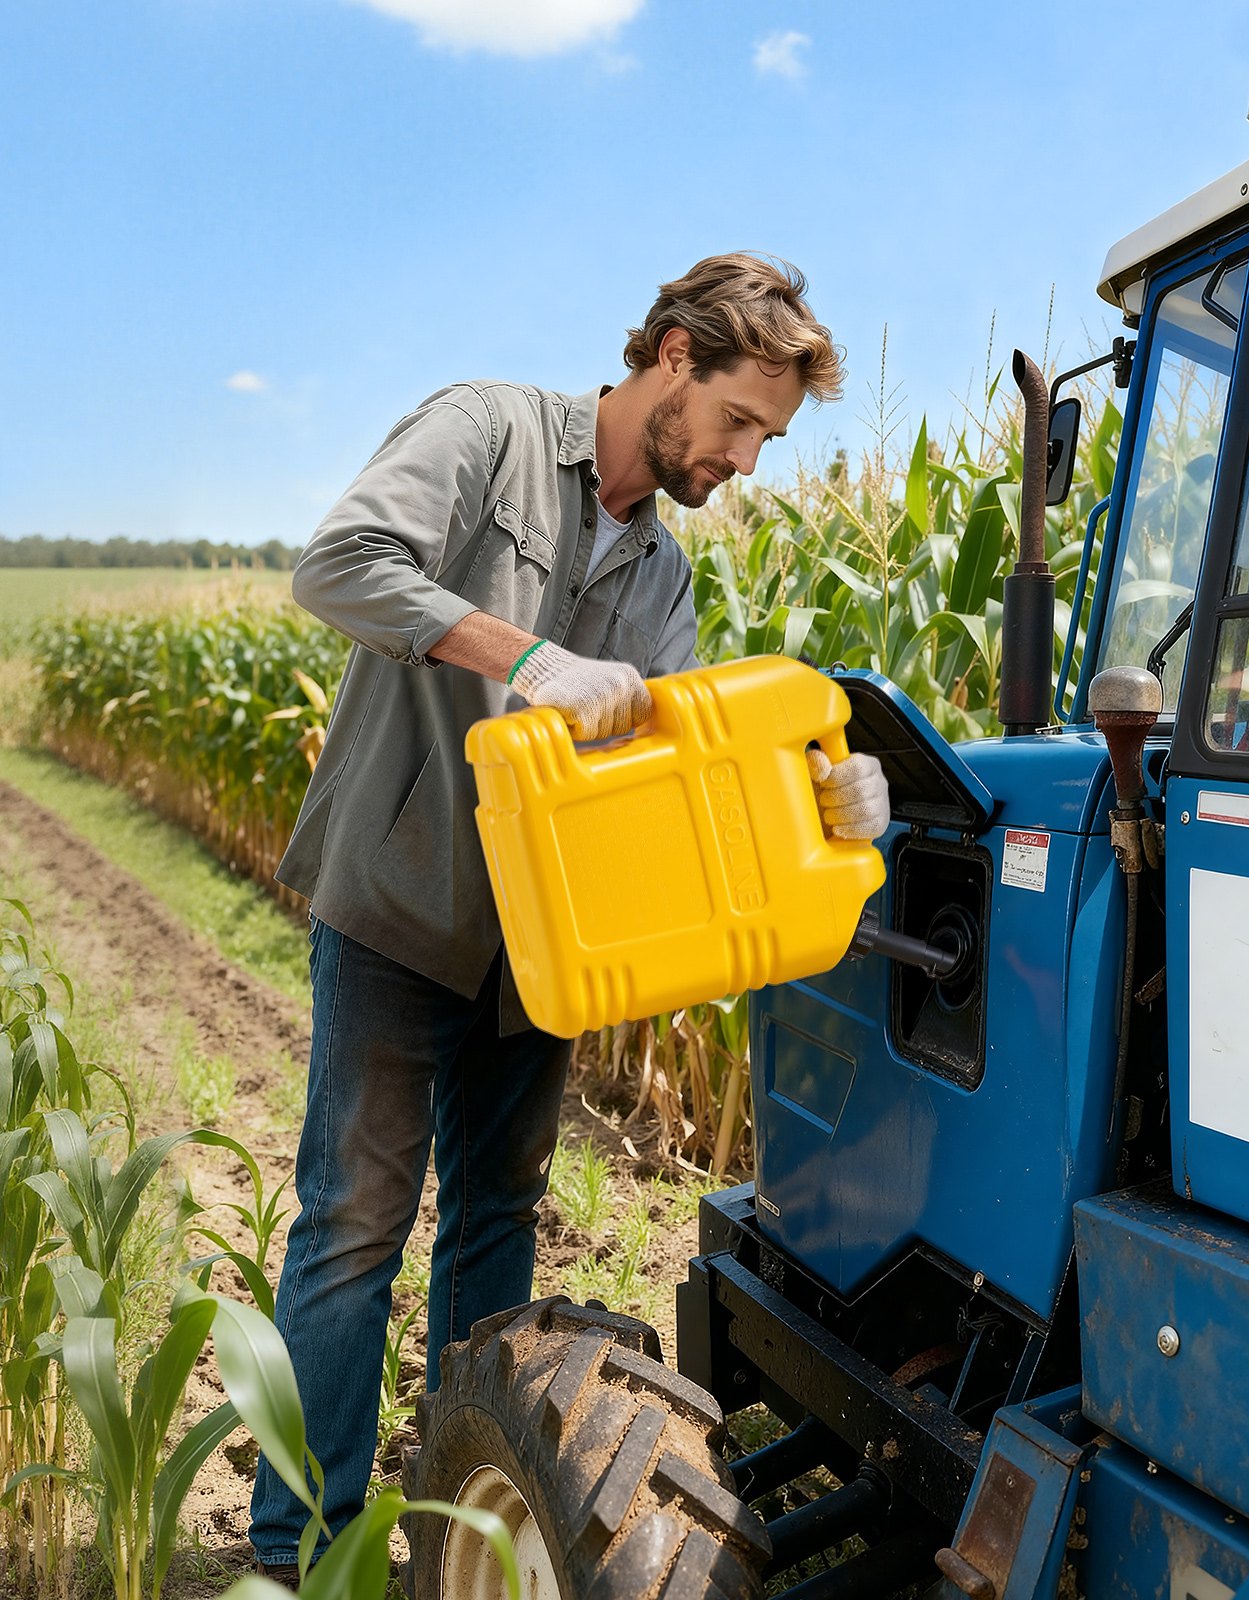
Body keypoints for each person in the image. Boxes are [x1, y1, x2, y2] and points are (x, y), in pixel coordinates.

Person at [248, 254, 890, 1580]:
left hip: (543, 952)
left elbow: (685, 779)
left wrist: (828, 797)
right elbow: (339, 566)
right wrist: (525, 657)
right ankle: (303, 1556)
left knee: (496, 1220)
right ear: (672, 357)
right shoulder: (487, 434)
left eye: (766, 441)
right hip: (398, 905)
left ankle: (461, 1536)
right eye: (737, 423)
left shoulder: (664, 576)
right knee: (354, 1232)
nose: (743, 462)